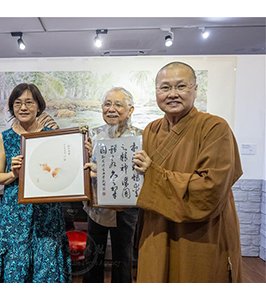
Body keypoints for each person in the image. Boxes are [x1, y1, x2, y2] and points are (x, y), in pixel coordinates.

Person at [133, 62, 242, 282]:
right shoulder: (151, 130)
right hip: (157, 228)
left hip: (199, 233)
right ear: (156, 92)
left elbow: (211, 187)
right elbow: (137, 178)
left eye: (181, 86)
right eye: (165, 88)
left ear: (195, 89)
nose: (172, 94)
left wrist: (154, 174)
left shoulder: (215, 128)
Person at [0, 83, 72, 283]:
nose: (23, 108)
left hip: (47, 209)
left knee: (47, 257)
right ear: (12, 107)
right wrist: (13, 174)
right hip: (14, 210)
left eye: (28, 102)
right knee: (16, 257)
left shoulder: (52, 135)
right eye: (17, 103)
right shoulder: (5, 137)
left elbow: (64, 170)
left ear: (38, 106)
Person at [83, 87, 142, 283]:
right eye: (107, 104)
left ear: (130, 109)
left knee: (123, 256)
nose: (111, 109)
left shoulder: (140, 137)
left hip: (126, 207)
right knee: (93, 254)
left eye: (118, 104)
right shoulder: (93, 135)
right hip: (97, 205)